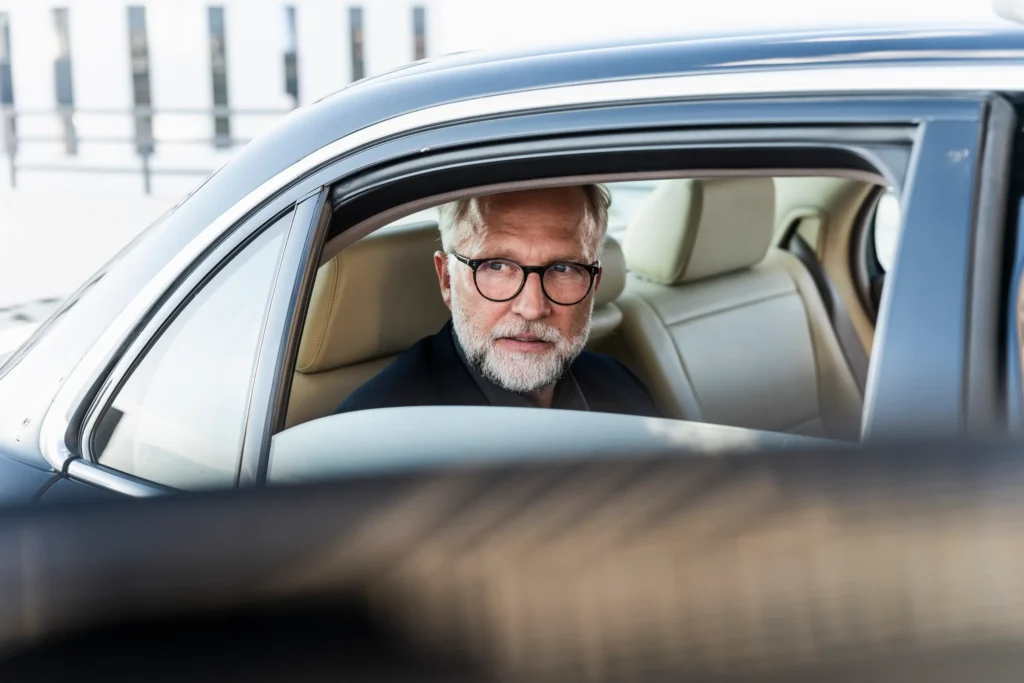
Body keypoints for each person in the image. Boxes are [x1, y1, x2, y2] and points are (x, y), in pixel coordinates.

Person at [334, 185, 661, 417]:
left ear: (594, 285)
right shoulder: (373, 433)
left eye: (563, 268)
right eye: (497, 266)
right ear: (447, 280)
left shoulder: (622, 389)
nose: (532, 307)